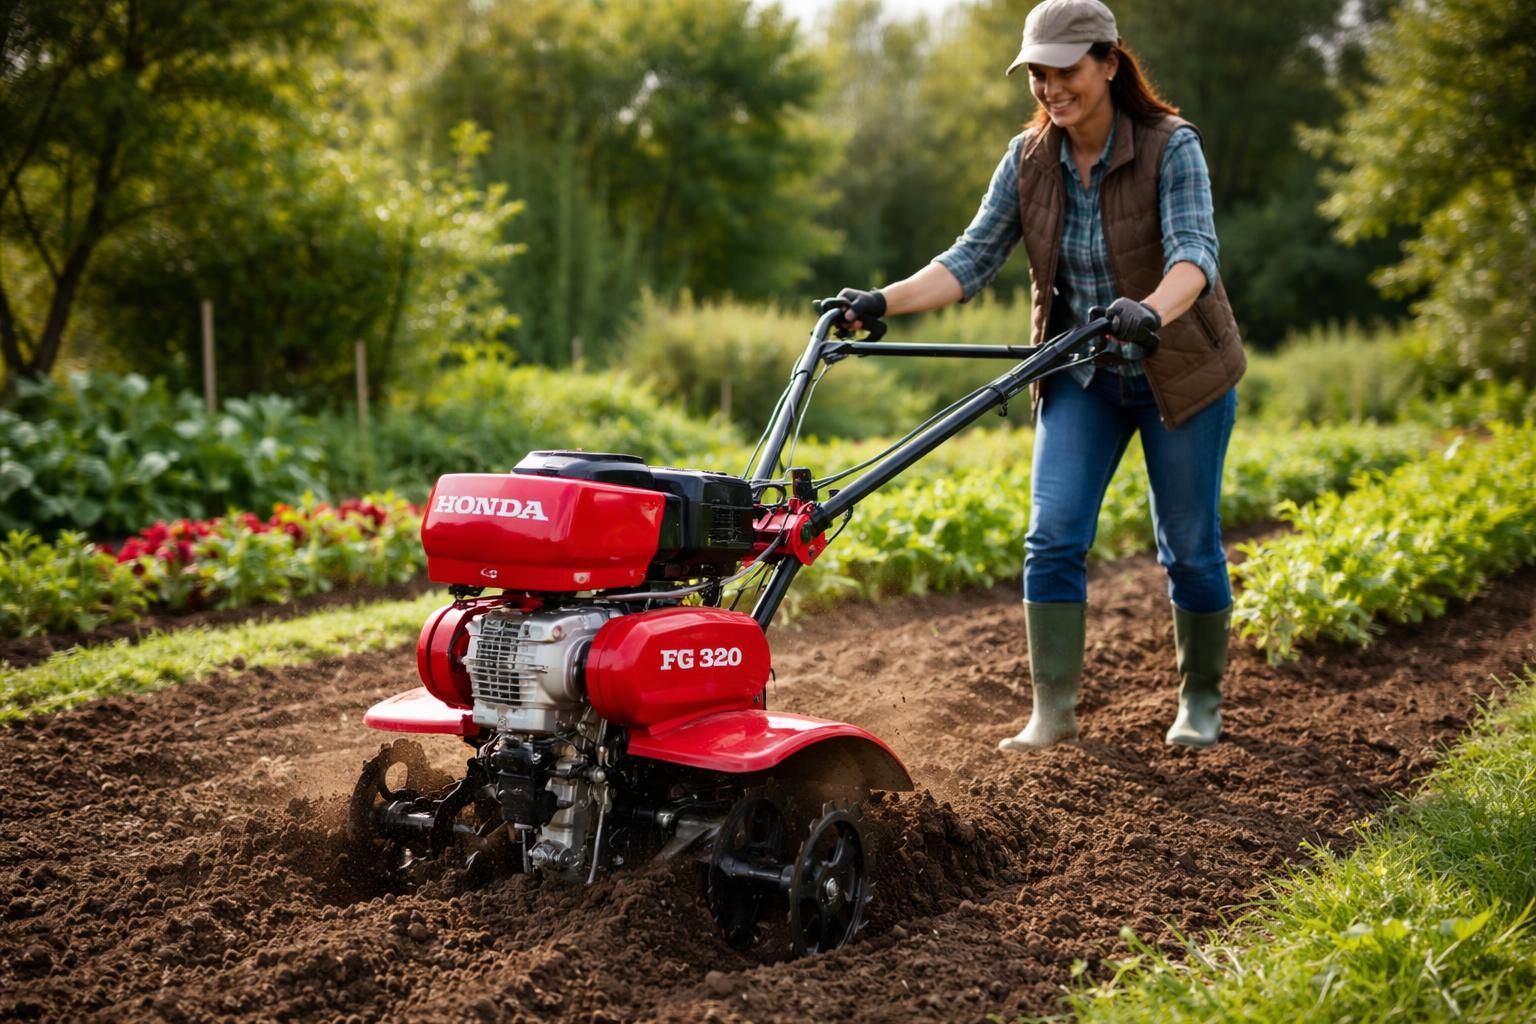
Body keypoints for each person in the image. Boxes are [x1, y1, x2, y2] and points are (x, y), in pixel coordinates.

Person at [832, 0, 1245, 750]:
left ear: (1110, 62)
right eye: (1039, 77)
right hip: (1083, 376)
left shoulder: (1168, 146)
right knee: (1051, 537)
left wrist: (1149, 310)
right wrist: (878, 301)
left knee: (1187, 544)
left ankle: (1202, 700)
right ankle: (1052, 712)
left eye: (1067, 72)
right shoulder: (1028, 161)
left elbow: (1195, 257)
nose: (1053, 90)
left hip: (1179, 375)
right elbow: (969, 260)